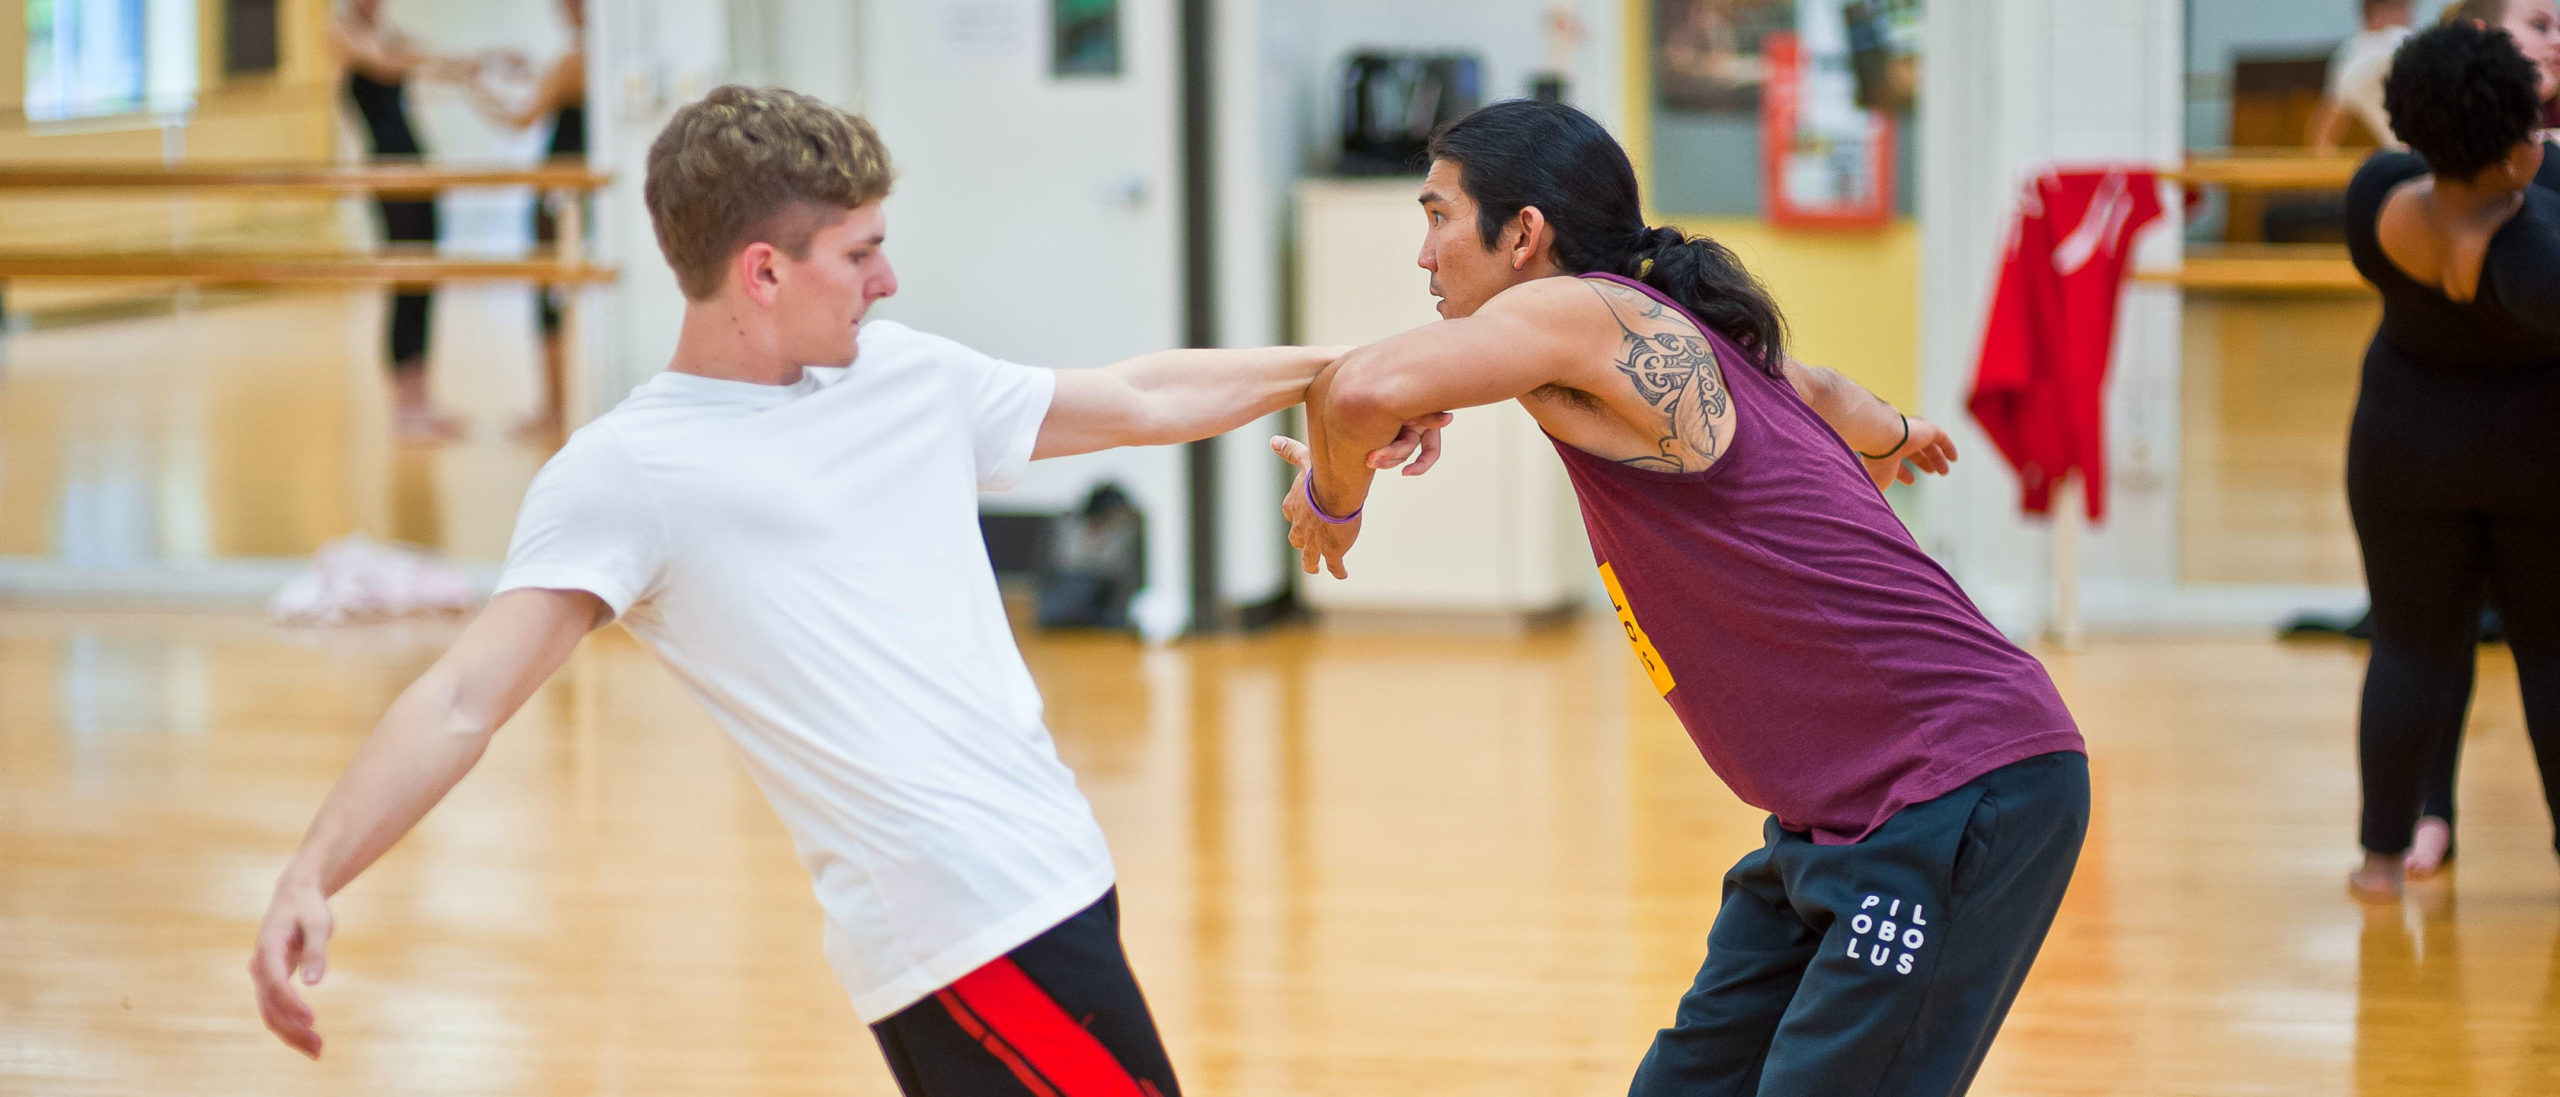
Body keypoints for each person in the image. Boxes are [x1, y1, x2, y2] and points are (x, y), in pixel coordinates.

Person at [245, 85, 1439, 1095]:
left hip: (1056, 869)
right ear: (763, 269)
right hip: (961, 926)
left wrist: (1361, 376)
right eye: (860, 252)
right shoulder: (630, 471)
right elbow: (462, 696)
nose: (887, 277)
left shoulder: (904, 375)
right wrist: (312, 870)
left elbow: (1140, 398)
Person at [1274, 98, 2088, 1097]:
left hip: (1952, 785)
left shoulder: (1577, 310)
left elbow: (1356, 393)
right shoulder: (1677, 326)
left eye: (1438, 214)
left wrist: (1332, 502)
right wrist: (1897, 431)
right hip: (1835, 812)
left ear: (1523, 233)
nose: (1423, 252)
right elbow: (1827, 391)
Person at [2342, 21, 2560, 901]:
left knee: (2406, 647)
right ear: (2514, 154)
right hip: (2535, 455)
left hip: (2402, 442)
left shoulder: (2378, 193)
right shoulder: (2539, 245)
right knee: (2551, 654)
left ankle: (2380, 860)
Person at [331, 0, 471, 443]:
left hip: (416, 164)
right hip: (386, 170)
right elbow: (384, 64)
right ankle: (403, 407)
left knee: (425, 279)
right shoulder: (340, 32)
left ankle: (422, 400)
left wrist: (480, 63)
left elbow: (429, 58)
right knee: (404, 279)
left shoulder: (389, 35)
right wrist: (423, 58)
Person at [464, 0, 588, 440]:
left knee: (548, 293)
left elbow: (521, 118)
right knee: (556, 292)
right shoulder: (590, 55)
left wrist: (474, 91)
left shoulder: (575, 59)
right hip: (574, 189)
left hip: (555, 190)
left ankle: (553, 409)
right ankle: (554, 406)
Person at [2312, 0, 2416, 155]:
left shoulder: (2349, 56)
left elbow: (2324, 136)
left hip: (2409, 157)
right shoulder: (2403, 39)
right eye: (2405, 10)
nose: (2410, 17)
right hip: (2437, 156)